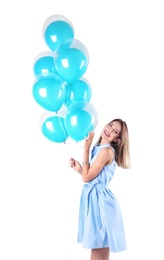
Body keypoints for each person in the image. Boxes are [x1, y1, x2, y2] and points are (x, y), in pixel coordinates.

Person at [69, 118, 131, 260]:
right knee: (101, 254)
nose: (109, 130)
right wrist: (80, 169)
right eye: (110, 125)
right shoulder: (98, 149)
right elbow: (90, 177)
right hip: (97, 202)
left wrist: (85, 149)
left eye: (115, 131)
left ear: (117, 140)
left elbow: (86, 178)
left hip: (101, 206)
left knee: (98, 253)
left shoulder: (107, 151)